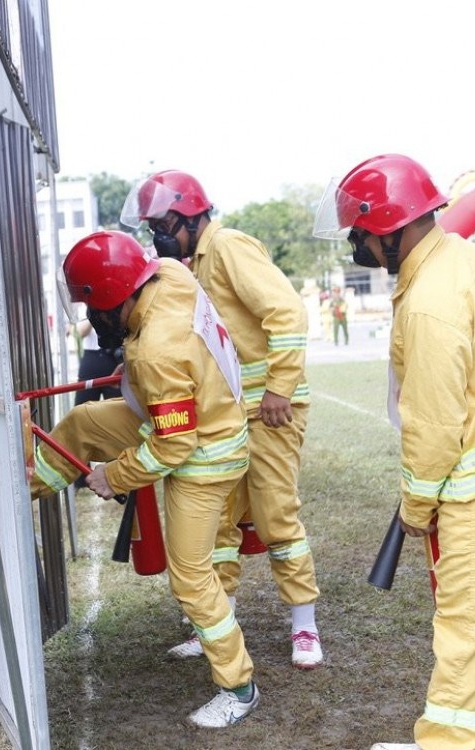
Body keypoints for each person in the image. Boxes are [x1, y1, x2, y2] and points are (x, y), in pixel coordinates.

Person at [314, 153, 475, 750]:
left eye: (359, 231)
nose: (356, 244)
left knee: (468, 631)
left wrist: (416, 503)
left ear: (389, 228)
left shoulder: (429, 300)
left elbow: (432, 425)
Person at [30, 230, 257, 728]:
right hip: (193, 420)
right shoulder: (170, 272)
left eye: (92, 309)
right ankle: (23, 489)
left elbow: (176, 445)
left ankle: (238, 686)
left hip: (205, 456)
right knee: (85, 423)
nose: (91, 323)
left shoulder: (156, 350)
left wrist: (115, 475)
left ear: (114, 300)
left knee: (190, 576)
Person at [121, 170, 323, 670]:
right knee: (221, 524)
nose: (159, 236)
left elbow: (288, 313)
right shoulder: (193, 265)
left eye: (164, 223)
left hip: (271, 410)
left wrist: (279, 389)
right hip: (232, 415)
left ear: (191, 214)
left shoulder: (229, 247)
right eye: (152, 227)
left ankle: (304, 626)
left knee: (277, 516)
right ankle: (219, 618)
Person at [72, 314, 122, 405]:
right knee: (83, 406)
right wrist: (94, 312)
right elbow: (80, 332)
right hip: (91, 357)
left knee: (117, 405)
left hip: (113, 357)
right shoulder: (86, 305)